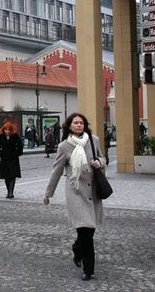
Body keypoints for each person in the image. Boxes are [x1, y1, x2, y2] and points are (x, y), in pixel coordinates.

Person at [44, 113, 105, 281]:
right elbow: (56, 170)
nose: (79, 125)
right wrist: (48, 193)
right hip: (76, 192)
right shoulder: (64, 146)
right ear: (69, 126)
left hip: (93, 192)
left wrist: (100, 162)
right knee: (84, 230)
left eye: (81, 122)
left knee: (89, 230)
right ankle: (88, 269)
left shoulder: (94, 140)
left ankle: (77, 249)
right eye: (76, 123)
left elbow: (102, 157)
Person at [0, 122, 22, 199]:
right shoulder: (0, 136)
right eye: (6, 130)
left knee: (12, 176)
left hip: (13, 158)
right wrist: (0, 153)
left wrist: (17, 153)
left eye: (8, 130)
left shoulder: (15, 136)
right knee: (6, 176)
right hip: (4, 158)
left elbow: (20, 145)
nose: (7, 131)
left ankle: (11, 192)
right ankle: (8, 190)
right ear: (3, 130)